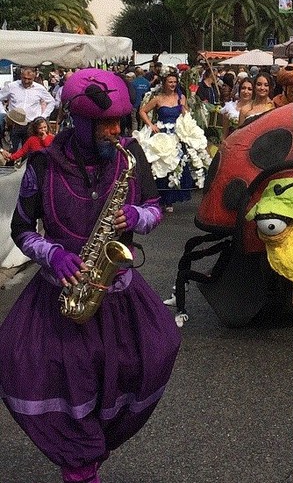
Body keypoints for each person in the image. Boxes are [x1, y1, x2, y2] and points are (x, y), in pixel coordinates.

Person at [0, 68, 180, 483]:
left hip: (118, 292)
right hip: (60, 296)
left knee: (152, 355)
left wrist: (139, 215)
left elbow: (154, 206)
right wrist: (52, 254)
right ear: (78, 121)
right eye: (104, 124)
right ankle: (78, 463)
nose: (114, 132)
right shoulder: (42, 165)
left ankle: (90, 449)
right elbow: (23, 230)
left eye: (119, 122)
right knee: (60, 382)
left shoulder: (130, 154)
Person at [139, 72, 194, 212]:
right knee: (161, 164)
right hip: (162, 134)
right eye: (170, 82)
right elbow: (142, 111)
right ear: (164, 83)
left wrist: (183, 106)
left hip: (176, 134)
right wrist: (151, 125)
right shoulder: (158, 99)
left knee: (174, 165)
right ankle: (159, 197)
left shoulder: (180, 97)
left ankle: (170, 199)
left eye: (174, 82)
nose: (172, 85)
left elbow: (187, 116)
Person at [0, 66, 56, 152]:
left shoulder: (39, 88)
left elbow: (51, 102)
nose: (26, 81)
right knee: (11, 150)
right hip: (14, 124)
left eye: (29, 79)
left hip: (31, 124)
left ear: (34, 77)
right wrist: (4, 113)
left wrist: (43, 116)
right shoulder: (12, 86)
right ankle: (10, 165)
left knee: (30, 151)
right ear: (21, 76)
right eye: (24, 78)